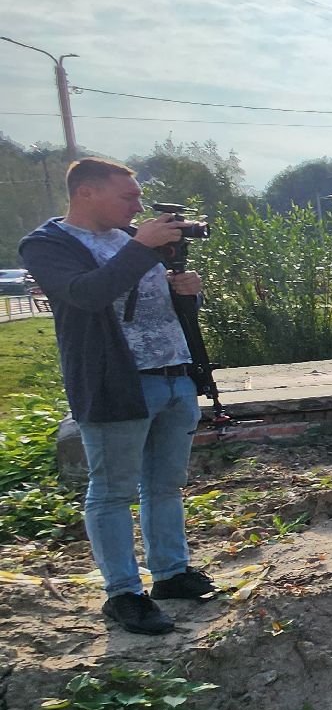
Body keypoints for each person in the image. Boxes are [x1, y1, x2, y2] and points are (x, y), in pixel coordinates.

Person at [18, 157, 217, 635]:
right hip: (115, 383)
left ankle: (170, 574)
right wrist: (144, 247)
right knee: (112, 493)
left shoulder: (131, 241)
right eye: (128, 196)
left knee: (165, 486)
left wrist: (187, 292)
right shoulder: (48, 245)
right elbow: (87, 295)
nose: (138, 205)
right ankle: (124, 594)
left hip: (173, 375)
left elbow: (153, 305)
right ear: (86, 193)